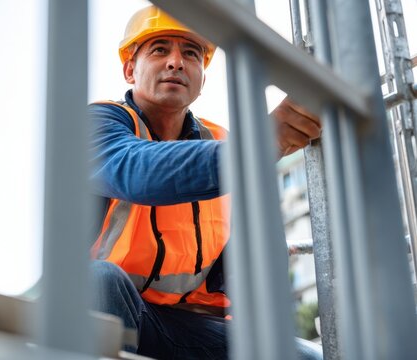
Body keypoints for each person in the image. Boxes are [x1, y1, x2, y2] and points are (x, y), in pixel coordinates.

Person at [88, 5, 323, 360]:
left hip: (187, 324)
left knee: (303, 356)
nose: (176, 62)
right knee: (100, 280)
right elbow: (137, 171)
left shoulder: (219, 140)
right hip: (107, 313)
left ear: (202, 77)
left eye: (191, 53)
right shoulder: (100, 124)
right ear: (129, 70)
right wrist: (257, 145)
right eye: (159, 49)